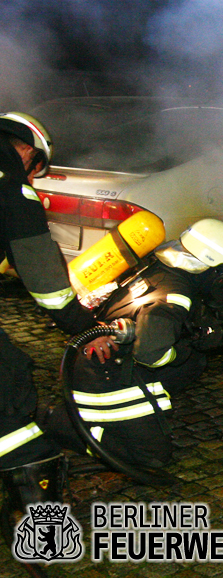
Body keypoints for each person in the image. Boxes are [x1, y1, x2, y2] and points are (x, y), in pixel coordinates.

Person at [43, 218, 223, 469]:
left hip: (95, 358)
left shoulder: (159, 267)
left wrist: (196, 336)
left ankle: (142, 412)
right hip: (104, 375)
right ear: (207, 265)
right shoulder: (174, 296)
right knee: (152, 457)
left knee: (195, 362)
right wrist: (184, 349)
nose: (222, 280)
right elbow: (150, 354)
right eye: (222, 273)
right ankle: (60, 423)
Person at [0, 112, 116, 521]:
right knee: (8, 385)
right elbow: (47, 287)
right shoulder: (11, 189)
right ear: (29, 152)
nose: (33, 180)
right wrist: (87, 328)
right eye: (35, 172)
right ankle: (35, 516)